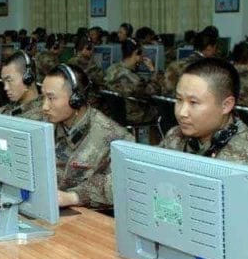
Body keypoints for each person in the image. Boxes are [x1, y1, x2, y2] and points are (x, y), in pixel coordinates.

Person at [158, 58, 248, 247]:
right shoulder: (175, 136)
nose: (182, 112)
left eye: (193, 103)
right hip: (176, 239)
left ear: (226, 105)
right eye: (179, 100)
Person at [41, 64, 133, 209]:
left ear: (76, 99)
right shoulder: (44, 125)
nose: (44, 106)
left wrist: (74, 197)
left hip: (88, 213)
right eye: (44, 97)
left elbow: (126, 182)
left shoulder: (115, 137)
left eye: (51, 98)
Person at [103, 38, 160, 124]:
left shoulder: (111, 69)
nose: (144, 55)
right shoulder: (135, 79)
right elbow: (153, 91)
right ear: (137, 53)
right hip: (135, 115)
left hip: (116, 115)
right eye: (142, 53)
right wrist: (153, 71)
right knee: (162, 109)